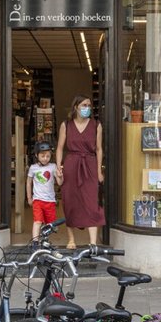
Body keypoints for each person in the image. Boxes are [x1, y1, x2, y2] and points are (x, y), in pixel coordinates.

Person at [56, 95, 106, 248]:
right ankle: (71, 240)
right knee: (70, 202)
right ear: (76, 107)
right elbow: (59, 148)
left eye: (89, 106)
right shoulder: (66, 125)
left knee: (92, 203)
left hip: (89, 165)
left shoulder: (96, 125)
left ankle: (92, 243)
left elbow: (98, 149)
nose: (87, 108)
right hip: (71, 165)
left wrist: (98, 171)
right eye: (84, 105)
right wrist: (58, 166)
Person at [26, 141, 59, 239]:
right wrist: (29, 197)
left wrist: (60, 176)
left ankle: (45, 241)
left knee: (50, 225)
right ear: (37, 155)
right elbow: (28, 182)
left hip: (50, 201)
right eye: (43, 156)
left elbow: (60, 182)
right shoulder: (33, 168)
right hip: (38, 200)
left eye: (48, 156)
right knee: (37, 221)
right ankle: (35, 241)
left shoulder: (53, 167)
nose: (45, 158)